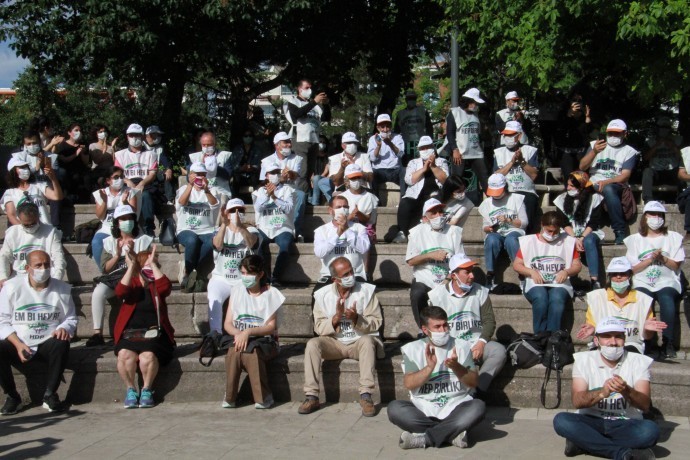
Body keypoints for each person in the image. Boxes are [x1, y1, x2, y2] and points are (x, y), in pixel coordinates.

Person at [553, 317, 659, 460]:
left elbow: (645, 405)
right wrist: (602, 393)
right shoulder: (583, 360)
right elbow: (577, 401)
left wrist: (626, 391)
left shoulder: (639, 361)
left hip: (626, 422)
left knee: (650, 431)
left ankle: (584, 444)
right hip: (591, 421)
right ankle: (621, 453)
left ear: (624, 339)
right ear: (596, 341)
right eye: (606, 337)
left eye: (618, 337)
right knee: (561, 421)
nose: (613, 342)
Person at [388, 306, 485, 450]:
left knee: (478, 407)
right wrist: (429, 368)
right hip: (424, 409)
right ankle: (452, 434)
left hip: (456, 406)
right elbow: (409, 384)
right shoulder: (413, 349)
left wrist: (456, 366)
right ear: (426, 330)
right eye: (437, 327)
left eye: (445, 325)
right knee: (394, 409)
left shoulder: (462, 346)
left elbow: (473, 382)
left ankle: (425, 439)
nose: (443, 330)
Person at [299, 257, 383, 417]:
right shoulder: (321, 295)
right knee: (312, 344)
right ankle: (311, 396)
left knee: (367, 341)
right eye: (345, 274)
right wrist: (336, 318)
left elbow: (377, 322)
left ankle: (366, 396)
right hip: (335, 343)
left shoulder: (366, 291)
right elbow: (319, 327)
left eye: (351, 271)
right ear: (335, 279)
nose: (351, 275)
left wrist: (357, 319)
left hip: (358, 342)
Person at [0, 250, 77, 414]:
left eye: (47, 265)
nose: (44, 269)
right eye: (38, 265)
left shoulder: (62, 289)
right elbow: (2, 320)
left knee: (61, 343)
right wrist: (18, 344)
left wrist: (64, 328)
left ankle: (50, 394)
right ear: (28, 268)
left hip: (47, 342)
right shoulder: (12, 287)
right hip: (19, 343)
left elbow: (70, 318)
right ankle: (12, 396)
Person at [428, 254, 507, 400]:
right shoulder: (437, 296)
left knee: (499, 351)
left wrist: (481, 342)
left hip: (475, 343)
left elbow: (489, 321)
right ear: (454, 275)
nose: (472, 276)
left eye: (472, 271)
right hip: (450, 345)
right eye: (467, 272)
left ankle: (478, 389)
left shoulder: (481, 292)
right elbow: (434, 327)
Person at [114, 246, 176, 409]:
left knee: (147, 356)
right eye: (148, 261)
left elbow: (166, 288)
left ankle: (147, 389)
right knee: (124, 354)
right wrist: (132, 267)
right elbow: (120, 291)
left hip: (156, 334)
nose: (152, 263)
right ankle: (131, 389)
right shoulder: (132, 283)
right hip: (130, 334)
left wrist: (153, 265)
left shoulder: (156, 284)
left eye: (155, 260)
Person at [624, 201, 684, 359]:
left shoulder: (673, 238)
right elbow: (632, 269)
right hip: (642, 280)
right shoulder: (635, 240)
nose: (656, 218)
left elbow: (676, 265)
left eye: (659, 215)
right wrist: (650, 260)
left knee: (666, 299)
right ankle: (645, 341)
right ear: (645, 217)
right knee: (642, 300)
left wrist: (662, 258)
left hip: (667, 280)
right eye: (652, 214)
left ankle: (668, 342)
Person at [87, 205, 153, 347]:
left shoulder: (144, 240)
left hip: (135, 276)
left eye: (130, 218)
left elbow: (147, 266)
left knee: (132, 292)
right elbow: (105, 268)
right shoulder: (109, 241)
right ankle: (97, 333)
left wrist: (133, 254)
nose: (127, 221)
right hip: (114, 277)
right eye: (123, 219)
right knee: (98, 292)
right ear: (117, 222)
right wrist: (117, 255)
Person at [222, 255, 283, 409]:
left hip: (265, 340)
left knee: (253, 353)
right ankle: (230, 396)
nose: (245, 277)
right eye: (243, 273)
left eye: (249, 274)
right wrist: (239, 334)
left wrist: (248, 332)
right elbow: (228, 323)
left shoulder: (271, 293)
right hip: (240, 336)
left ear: (260, 274)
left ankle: (263, 397)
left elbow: (271, 326)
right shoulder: (236, 291)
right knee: (234, 352)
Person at [576, 257, 663, 354]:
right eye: (614, 274)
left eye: (623, 274)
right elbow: (591, 326)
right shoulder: (596, 297)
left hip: (632, 345)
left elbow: (647, 336)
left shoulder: (643, 300)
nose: (618, 277)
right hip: (603, 345)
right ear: (610, 277)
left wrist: (647, 330)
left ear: (629, 275)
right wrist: (592, 330)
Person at [513, 211, 582, 333]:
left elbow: (577, 265)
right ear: (542, 226)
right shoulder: (529, 242)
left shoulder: (569, 241)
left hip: (559, 282)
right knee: (541, 298)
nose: (552, 234)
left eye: (555, 231)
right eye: (549, 231)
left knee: (557, 300)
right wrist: (531, 272)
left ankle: (552, 337)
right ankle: (540, 336)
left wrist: (567, 272)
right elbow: (517, 265)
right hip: (535, 281)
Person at [406, 198, 464, 329]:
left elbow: (460, 261)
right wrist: (430, 255)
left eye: (440, 212)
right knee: (417, 293)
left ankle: (451, 327)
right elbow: (411, 260)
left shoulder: (454, 232)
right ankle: (423, 328)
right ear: (425, 218)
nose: (438, 215)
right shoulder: (417, 232)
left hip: (448, 278)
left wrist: (449, 278)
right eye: (433, 213)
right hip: (424, 278)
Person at [579, 119, 638, 244]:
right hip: (593, 181)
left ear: (625, 134)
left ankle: (619, 231)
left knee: (609, 189)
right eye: (610, 133)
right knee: (574, 185)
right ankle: (578, 228)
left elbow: (625, 176)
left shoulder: (629, 151)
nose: (613, 136)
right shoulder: (595, 145)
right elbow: (582, 167)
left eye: (617, 133)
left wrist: (606, 182)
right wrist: (594, 152)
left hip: (616, 183)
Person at [208, 198, 260, 334]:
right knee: (214, 299)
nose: (237, 213)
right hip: (221, 278)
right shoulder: (219, 230)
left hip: (241, 279)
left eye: (240, 210)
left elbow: (252, 244)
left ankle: (241, 335)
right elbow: (217, 245)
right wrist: (224, 225)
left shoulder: (251, 230)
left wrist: (241, 227)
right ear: (227, 213)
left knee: (245, 303)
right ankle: (215, 334)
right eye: (233, 210)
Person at [554, 171, 605, 291]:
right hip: (570, 232)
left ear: (581, 186)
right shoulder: (561, 199)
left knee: (589, 241)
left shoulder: (595, 198)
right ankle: (567, 280)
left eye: (572, 186)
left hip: (588, 232)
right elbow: (564, 223)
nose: (568, 188)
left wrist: (581, 237)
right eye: (567, 185)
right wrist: (575, 238)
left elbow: (593, 222)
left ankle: (595, 280)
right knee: (565, 243)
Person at [393, 136, 449, 243]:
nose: (425, 150)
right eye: (422, 148)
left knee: (433, 203)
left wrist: (433, 166)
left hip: (434, 195)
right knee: (404, 203)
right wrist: (423, 169)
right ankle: (402, 232)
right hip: (416, 195)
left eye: (428, 147)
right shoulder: (413, 163)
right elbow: (409, 180)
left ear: (433, 148)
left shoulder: (441, 161)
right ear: (419, 150)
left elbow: (445, 180)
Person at [175, 162, 221, 293]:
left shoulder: (213, 190)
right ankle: (188, 272)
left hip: (207, 229)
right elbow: (182, 202)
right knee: (192, 240)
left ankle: (196, 272)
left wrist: (206, 190)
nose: (200, 177)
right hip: (185, 229)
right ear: (190, 175)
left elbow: (214, 205)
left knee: (210, 242)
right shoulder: (183, 189)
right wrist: (190, 185)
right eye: (197, 174)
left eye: (202, 174)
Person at [478, 173, 528, 289]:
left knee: (511, 240)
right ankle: (490, 274)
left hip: (515, 230)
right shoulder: (486, 204)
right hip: (497, 232)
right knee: (491, 239)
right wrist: (488, 228)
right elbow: (484, 226)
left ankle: (522, 273)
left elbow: (524, 223)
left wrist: (508, 220)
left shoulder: (516, 199)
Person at [0, 202, 65, 290]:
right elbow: (4, 256)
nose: (30, 226)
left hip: (44, 277)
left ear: (38, 216)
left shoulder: (51, 232)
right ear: (19, 219)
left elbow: (58, 257)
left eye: (33, 223)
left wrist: (57, 279)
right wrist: (3, 278)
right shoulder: (12, 233)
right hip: (19, 276)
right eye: (26, 225)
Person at [252, 160, 296, 287]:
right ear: (266, 175)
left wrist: (275, 198)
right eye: (272, 172)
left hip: (283, 227)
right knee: (258, 244)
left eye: (277, 172)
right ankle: (264, 276)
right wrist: (267, 195)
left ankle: (276, 277)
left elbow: (288, 208)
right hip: (265, 228)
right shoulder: (259, 191)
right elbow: (258, 209)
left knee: (285, 245)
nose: (275, 175)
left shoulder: (288, 190)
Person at [313, 195, 370, 292]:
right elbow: (319, 253)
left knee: (367, 295)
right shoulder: (321, 231)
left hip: (354, 274)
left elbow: (364, 248)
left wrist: (346, 229)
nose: (343, 209)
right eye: (338, 207)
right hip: (330, 275)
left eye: (346, 207)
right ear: (330, 210)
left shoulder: (359, 228)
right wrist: (338, 233)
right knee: (317, 296)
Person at [493, 121, 539, 233]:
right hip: (508, 191)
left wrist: (522, 161)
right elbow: (496, 175)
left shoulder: (530, 150)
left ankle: (528, 235)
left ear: (519, 136)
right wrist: (511, 163)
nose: (507, 137)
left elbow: (534, 175)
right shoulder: (499, 152)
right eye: (505, 135)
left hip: (526, 191)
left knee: (529, 203)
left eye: (511, 135)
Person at [260, 132, 306, 241]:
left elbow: (296, 175)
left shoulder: (297, 158)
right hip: (273, 189)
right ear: (277, 145)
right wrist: (279, 179)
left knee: (301, 195)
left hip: (291, 189)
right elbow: (262, 181)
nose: (289, 145)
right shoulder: (266, 161)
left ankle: (295, 229)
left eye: (289, 142)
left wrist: (290, 174)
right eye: (285, 142)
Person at [114, 123, 158, 236]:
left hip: (145, 184)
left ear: (143, 136)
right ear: (127, 137)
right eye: (131, 135)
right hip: (126, 184)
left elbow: (152, 174)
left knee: (146, 196)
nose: (134, 138)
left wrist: (142, 183)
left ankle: (148, 227)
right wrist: (128, 182)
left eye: (137, 135)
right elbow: (117, 174)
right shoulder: (119, 154)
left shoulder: (151, 154)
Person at [91, 166, 139, 270]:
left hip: (126, 227)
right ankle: (104, 271)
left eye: (122, 177)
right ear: (108, 180)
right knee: (96, 242)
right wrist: (104, 201)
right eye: (116, 177)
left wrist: (125, 202)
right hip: (107, 227)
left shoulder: (129, 192)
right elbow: (100, 215)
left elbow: (134, 213)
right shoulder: (102, 193)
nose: (120, 180)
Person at [10, 130, 61, 226]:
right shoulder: (19, 157)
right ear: (24, 145)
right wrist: (37, 167)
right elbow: (20, 176)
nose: (32, 146)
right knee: (13, 200)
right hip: (28, 188)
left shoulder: (49, 156)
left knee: (56, 200)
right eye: (28, 144)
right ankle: (13, 229)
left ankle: (55, 228)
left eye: (34, 143)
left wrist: (44, 166)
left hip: (45, 188)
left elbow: (54, 177)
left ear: (40, 143)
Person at [284, 78, 331, 178]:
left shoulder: (315, 106)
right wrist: (314, 102)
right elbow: (297, 114)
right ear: (300, 89)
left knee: (310, 172)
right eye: (307, 87)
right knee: (302, 170)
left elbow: (325, 118)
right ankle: (301, 193)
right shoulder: (293, 101)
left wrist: (326, 105)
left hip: (314, 139)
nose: (309, 90)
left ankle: (308, 192)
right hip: (300, 139)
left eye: (310, 88)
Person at [340, 164, 379, 277]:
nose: (356, 181)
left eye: (358, 177)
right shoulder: (342, 196)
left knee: (364, 238)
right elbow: (338, 220)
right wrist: (351, 217)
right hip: (346, 226)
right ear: (347, 180)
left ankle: (365, 274)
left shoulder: (370, 197)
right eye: (352, 178)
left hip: (365, 227)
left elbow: (369, 220)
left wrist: (358, 214)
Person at [445, 88, 487, 192]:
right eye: (474, 103)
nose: (475, 105)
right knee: (457, 180)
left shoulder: (476, 114)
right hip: (460, 152)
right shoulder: (455, 112)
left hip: (476, 152)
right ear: (467, 101)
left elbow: (480, 133)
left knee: (484, 176)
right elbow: (450, 133)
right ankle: (453, 202)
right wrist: (455, 149)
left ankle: (491, 200)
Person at [2, 157, 63, 226]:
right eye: (21, 167)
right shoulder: (10, 193)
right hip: (25, 233)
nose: (25, 170)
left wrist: (53, 179)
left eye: (26, 167)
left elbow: (57, 197)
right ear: (13, 171)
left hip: (45, 231)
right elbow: (11, 216)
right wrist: (25, 230)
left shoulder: (39, 186)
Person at [552, 94, 592, 177]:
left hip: (581, 151)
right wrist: (569, 115)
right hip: (566, 152)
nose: (577, 103)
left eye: (579, 101)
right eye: (574, 100)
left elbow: (588, 133)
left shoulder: (584, 116)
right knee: (569, 178)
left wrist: (587, 118)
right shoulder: (563, 114)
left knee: (582, 179)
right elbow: (561, 131)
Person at [368, 114, 406, 197]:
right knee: (371, 173)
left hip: (394, 170)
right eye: (382, 127)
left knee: (404, 171)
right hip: (379, 171)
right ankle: (375, 200)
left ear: (391, 127)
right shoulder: (373, 139)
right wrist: (378, 146)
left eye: (387, 126)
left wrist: (390, 144)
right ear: (378, 128)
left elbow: (401, 154)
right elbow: (372, 158)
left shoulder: (398, 137)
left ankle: (403, 198)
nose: (385, 130)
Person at [188, 131, 233, 198]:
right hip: (200, 191)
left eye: (209, 145)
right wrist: (201, 167)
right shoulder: (194, 157)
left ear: (215, 144)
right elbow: (188, 177)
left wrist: (214, 167)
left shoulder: (225, 155)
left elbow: (228, 175)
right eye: (204, 145)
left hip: (220, 191)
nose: (206, 147)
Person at [55, 123, 89, 202]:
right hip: (68, 170)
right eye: (76, 130)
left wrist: (82, 153)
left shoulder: (82, 145)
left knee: (86, 177)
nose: (78, 132)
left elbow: (86, 162)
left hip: (81, 170)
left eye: (80, 130)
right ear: (69, 133)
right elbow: (64, 160)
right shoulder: (63, 145)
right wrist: (75, 154)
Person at [394, 89, 433, 156]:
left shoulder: (423, 111)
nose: (411, 100)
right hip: (406, 144)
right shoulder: (400, 114)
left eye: (413, 98)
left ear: (416, 99)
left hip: (420, 143)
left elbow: (429, 127)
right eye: (409, 98)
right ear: (406, 100)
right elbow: (396, 131)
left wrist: (429, 141)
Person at [229, 128, 264, 199]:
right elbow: (233, 165)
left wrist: (251, 167)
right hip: (240, 174)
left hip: (252, 174)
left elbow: (258, 165)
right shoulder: (237, 149)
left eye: (250, 135)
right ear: (242, 137)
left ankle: (258, 200)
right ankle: (234, 201)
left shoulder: (257, 150)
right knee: (236, 179)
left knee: (255, 179)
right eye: (246, 136)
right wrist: (241, 168)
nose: (248, 137)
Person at [145, 125, 175, 204]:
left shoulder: (160, 148)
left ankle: (170, 199)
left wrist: (168, 168)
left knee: (167, 174)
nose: (158, 137)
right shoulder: (142, 146)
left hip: (156, 171)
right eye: (156, 135)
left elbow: (165, 160)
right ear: (148, 135)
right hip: (144, 172)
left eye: (159, 135)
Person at [308, 134, 333, 205]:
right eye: (320, 142)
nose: (321, 144)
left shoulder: (329, 157)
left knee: (316, 178)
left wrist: (316, 179)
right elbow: (310, 171)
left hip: (324, 178)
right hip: (312, 179)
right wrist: (311, 179)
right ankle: (311, 201)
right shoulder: (312, 156)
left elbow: (327, 170)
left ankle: (314, 203)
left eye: (323, 142)